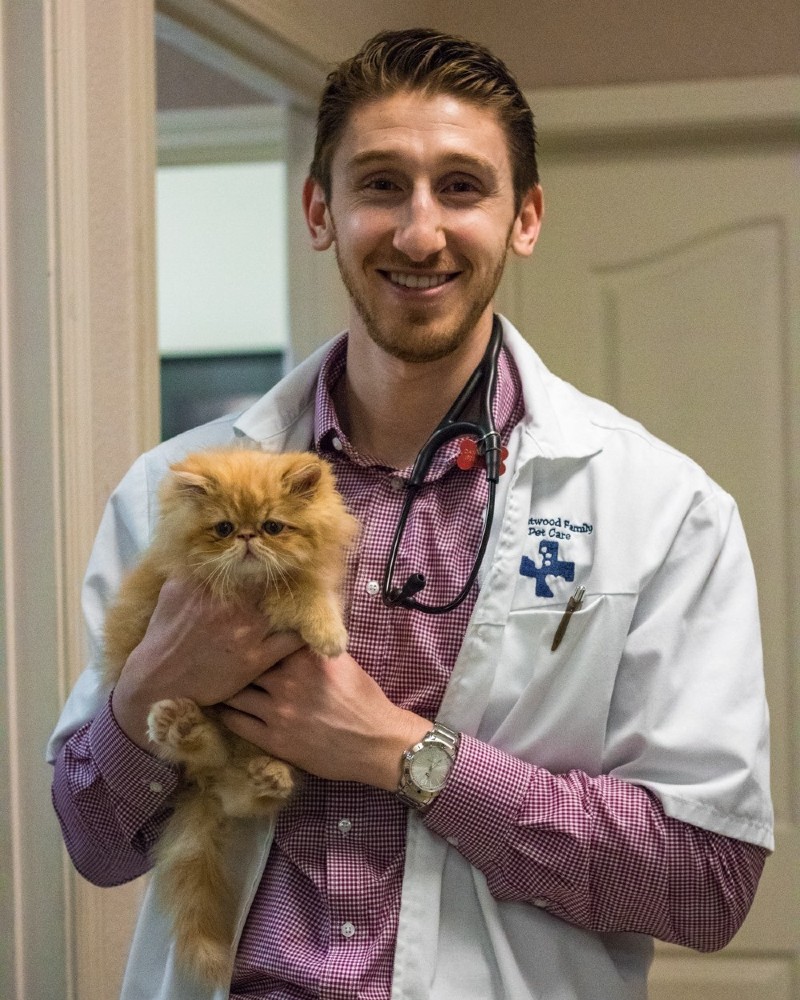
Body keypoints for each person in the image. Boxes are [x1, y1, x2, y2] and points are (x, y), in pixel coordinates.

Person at [48, 27, 773, 1000]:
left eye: (461, 187)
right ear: (320, 210)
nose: (419, 233)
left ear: (525, 216)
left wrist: (402, 753)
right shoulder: (175, 490)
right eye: (381, 184)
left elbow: (703, 881)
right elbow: (93, 841)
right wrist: (153, 687)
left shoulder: (661, 508)